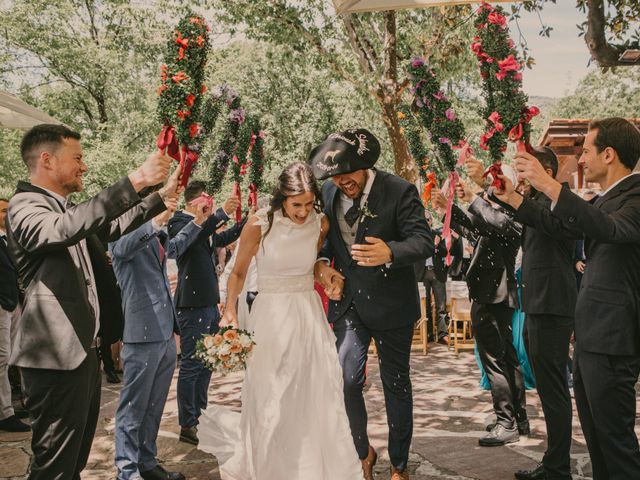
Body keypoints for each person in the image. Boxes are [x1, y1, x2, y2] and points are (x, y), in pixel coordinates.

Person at [5, 123, 173, 480]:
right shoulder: (25, 205)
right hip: (53, 360)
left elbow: (111, 226)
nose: (84, 166)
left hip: (80, 353)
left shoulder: (66, 209)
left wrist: (159, 196)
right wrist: (136, 179)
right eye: (77, 158)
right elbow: (66, 228)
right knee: (53, 466)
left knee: (74, 460)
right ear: (47, 160)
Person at [197, 162, 363, 480]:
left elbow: (312, 264)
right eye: (295, 204)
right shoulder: (261, 223)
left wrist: (326, 273)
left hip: (308, 313)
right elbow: (239, 272)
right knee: (272, 392)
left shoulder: (321, 223)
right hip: (272, 316)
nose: (302, 212)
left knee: (314, 391)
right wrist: (229, 310)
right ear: (282, 198)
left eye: (307, 203)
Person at [508, 117, 640, 480]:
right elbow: (558, 225)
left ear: (609, 154)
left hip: (614, 339)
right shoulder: (604, 200)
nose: (580, 160)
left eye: (586, 152)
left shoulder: (636, 196)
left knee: (616, 441)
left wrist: (549, 184)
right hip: (592, 337)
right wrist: (512, 197)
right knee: (597, 439)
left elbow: (609, 230)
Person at [311, 129, 433, 480]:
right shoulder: (330, 191)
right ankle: (362, 451)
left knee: (396, 384)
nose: (342, 181)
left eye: (348, 173)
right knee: (347, 380)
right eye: (335, 175)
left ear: (364, 164)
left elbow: (424, 241)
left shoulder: (398, 190)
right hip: (349, 305)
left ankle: (399, 465)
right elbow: (325, 244)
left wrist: (390, 252)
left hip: (393, 306)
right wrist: (321, 267)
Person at [473, 148, 577, 480]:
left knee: (554, 390)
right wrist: (483, 187)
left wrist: (492, 192)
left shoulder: (559, 204)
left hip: (553, 308)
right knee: (547, 390)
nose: (519, 179)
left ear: (543, 170)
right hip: (537, 306)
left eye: (523, 170)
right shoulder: (538, 205)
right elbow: (511, 211)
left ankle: (558, 467)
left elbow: (528, 216)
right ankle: (554, 461)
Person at [432, 165, 528, 448]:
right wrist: (446, 209)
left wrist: (474, 196)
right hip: (492, 294)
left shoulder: (510, 215)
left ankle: (505, 422)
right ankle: (517, 419)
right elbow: (476, 228)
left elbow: (492, 223)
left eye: (496, 184)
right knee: (507, 359)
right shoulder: (497, 217)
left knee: (495, 362)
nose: (490, 189)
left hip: (493, 296)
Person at [109, 174, 193, 480]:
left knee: (155, 405)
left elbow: (171, 255)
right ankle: (127, 470)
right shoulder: (121, 231)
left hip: (165, 332)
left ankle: (147, 462)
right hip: (140, 333)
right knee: (133, 408)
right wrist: (155, 222)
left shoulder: (159, 235)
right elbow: (121, 250)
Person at [167, 180, 244, 446]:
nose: (209, 204)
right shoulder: (180, 222)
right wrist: (219, 213)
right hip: (191, 304)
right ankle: (187, 423)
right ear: (192, 201)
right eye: (206, 200)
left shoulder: (204, 225)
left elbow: (219, 239)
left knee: (207, 364)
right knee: (191, 364)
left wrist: (244, 223)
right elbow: (192, 238)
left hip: (209, 304)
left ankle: (200, 413)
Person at [0, 197, 29, 433]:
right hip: (1, 304)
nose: (6, 215)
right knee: (1, 358)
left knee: (16, 355)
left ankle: (16, 403)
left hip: (15, 302)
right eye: (2, 211)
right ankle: (5, 413)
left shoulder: (11, 239)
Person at [414, 211, 449, 344]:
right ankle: (427, 334)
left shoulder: (438, 235)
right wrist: (433, 246)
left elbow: (445, 252)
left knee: (441, 306)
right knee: (425, 306)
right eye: (423, 219)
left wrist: (437, 246)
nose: (425, 221)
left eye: (427, 219)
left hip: (437, 272)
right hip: (422, 273)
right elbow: (417, 253)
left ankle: (442, 334)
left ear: (431, 221)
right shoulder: (417, 236)